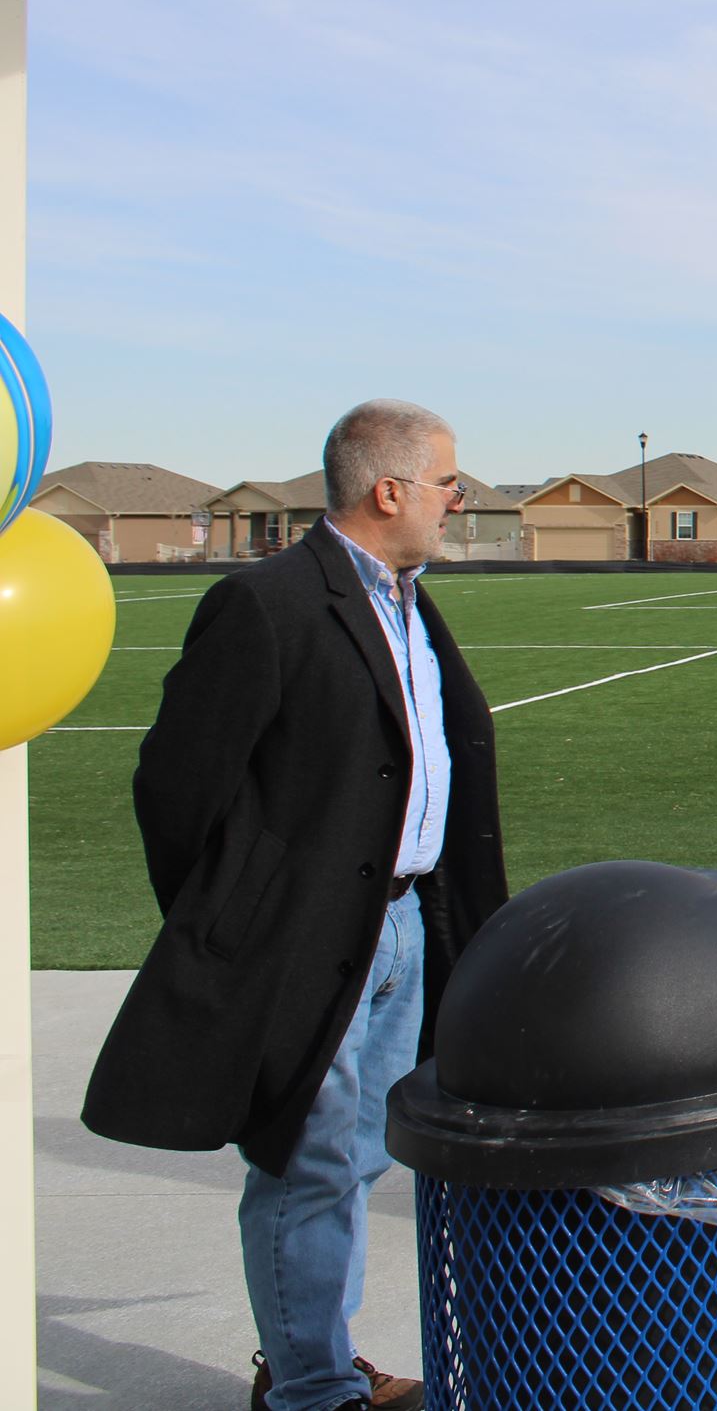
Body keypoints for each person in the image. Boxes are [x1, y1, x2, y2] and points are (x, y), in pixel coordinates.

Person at [83, 400, 507, 1411]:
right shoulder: (266, 601)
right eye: (449, 482)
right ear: (388, 488)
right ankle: (312, 1389)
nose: (462, 499)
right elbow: (175, 785)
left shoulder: (409, 596)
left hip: (404, 928)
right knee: (307, 1159)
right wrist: (235, 926)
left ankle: (311, 1348)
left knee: (357, 1155)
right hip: (305, 942)